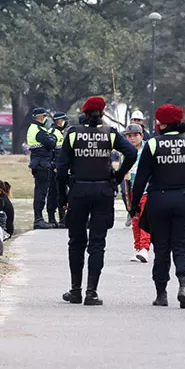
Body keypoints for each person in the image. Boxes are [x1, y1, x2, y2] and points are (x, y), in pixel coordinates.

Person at [55, 96, 137, 306]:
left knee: (76, 242)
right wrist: (118, 177)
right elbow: (132, 152)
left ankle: (75, 291)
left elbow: (62, 168)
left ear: (84, 113)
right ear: (102, 113)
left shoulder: (73, 133)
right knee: (97, 244)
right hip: (103, 192)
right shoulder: (110, 133)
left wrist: (61, 197)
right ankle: (91, 292)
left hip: (78, 191)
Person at [130, 104, 185, 308]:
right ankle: (184, 286)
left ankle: (161, 294)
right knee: (183, 247)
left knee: (162, 249)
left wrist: (135, 204)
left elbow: (141, 178)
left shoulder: (153, 144)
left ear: (163, 123)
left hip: (159, 200)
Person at [120, 123, 151, 264]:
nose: (132, 138)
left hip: (146, 190)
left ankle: (145, 248)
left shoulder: (148, 149)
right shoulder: (126, 152)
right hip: (131, 191)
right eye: (129, 136)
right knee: (135, 219)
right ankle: (137, 247)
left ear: (141, 136)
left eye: (135, 135)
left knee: (145, 218)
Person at [26, 107, 60, 229]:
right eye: (45, 116)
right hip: (42, 164)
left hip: (38, 163)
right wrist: (54, 138)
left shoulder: (33, 128)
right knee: (41, 192)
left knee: (40, 191)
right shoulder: (39, 130)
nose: (46, 119)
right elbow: (51, 143)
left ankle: (39, 218)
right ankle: (38, 220)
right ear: (40, 117)